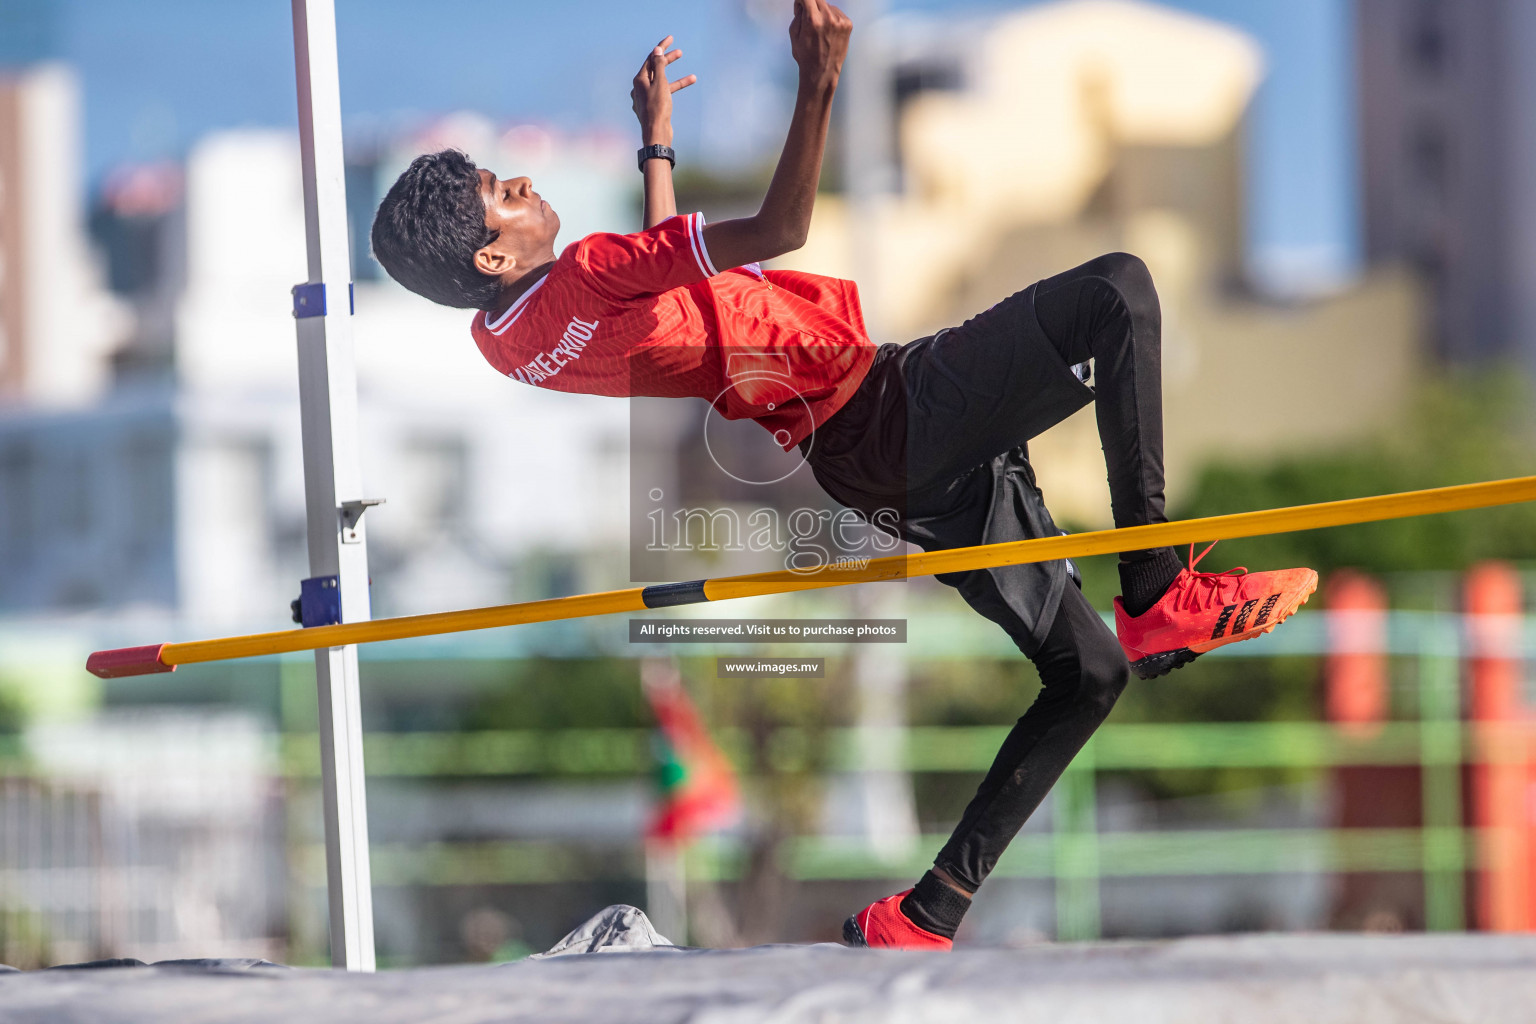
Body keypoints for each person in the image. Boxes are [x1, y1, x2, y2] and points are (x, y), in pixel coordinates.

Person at [370, 0, 1318, 950]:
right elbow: (780, 229)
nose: (523, 182)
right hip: (889, 405)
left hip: (869, 461)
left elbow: (659, 292)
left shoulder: (507, 340)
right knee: (1118, 293)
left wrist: (656, 146)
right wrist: (821, 76)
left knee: (1087, 672)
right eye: (502, 190)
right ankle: (1156, 587)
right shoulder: (585, 272)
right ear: (494, 252)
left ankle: (927, 911)